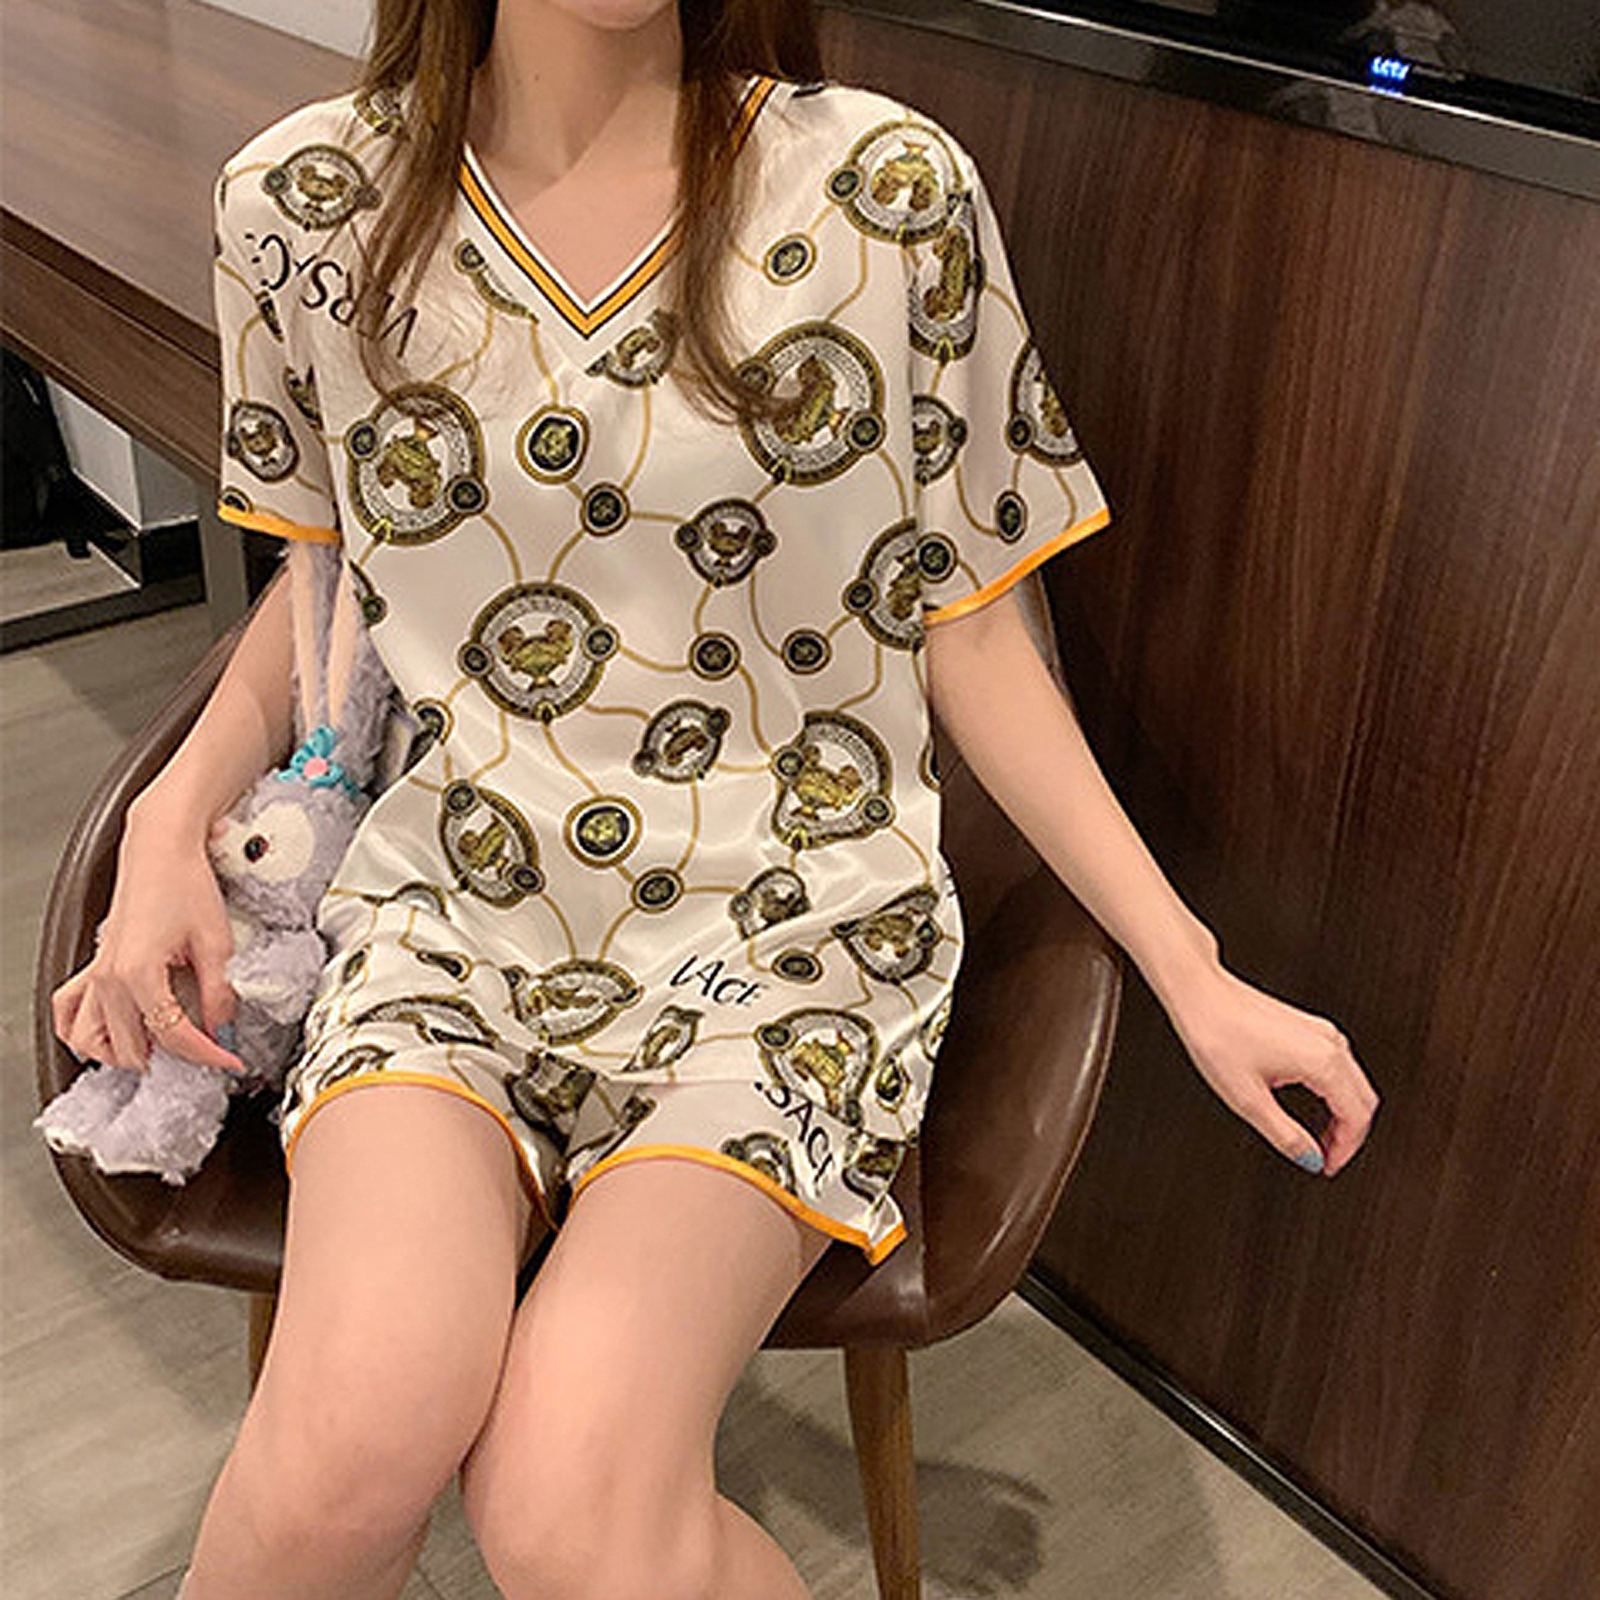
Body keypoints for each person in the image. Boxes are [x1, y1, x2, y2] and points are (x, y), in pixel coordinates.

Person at [50, 1, 1380, 1595]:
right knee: (340, 1448)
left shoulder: (885, 191)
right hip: (455, 908)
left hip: (792, 929)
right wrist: (169, 817)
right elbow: (333, 583)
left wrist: (1193, 969)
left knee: (567, 1502)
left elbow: (968, 623)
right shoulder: (304, 202)